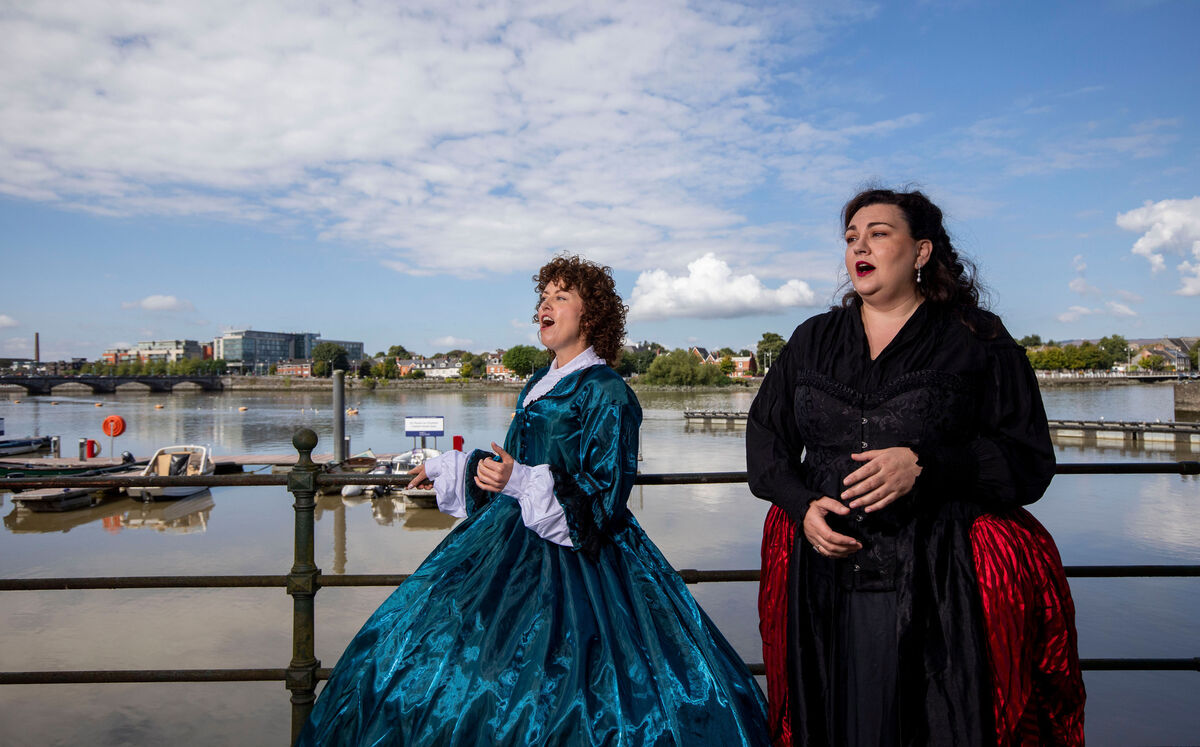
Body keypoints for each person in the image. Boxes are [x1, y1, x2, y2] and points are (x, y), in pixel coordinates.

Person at [299, 254, 769, 746]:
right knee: (415, 655)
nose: (545, 306)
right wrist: (457, 466)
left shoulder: (606, 390)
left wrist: (523, 481)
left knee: (578, 693)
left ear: (590, 316)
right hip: (508, 544)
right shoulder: (535, 384)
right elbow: (515, 462)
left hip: (584, 558)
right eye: (542, 298)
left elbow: (604, 495)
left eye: (560, 297)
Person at [746, 188, 1085, 746]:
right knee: (833, 721)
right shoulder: (811, 340)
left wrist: (925, 464)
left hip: (939, 576)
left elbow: (1028, 461)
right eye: (852, 237)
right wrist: (800, 503)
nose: (861, 245)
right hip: (821, 577)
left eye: (879, 233)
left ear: (921, 251)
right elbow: (765, 443)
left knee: (933, 719)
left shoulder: (979, 338)